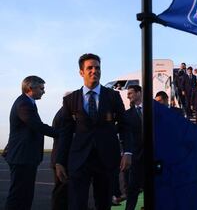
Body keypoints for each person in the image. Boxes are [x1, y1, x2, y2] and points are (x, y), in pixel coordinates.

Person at [55, 53, 132, 210]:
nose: (94, 71)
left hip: (106, 160)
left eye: (97, 67)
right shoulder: (70, 100)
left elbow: (125, 125)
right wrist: (59, 161)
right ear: (81, 72)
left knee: (104, 204)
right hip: (79, 160)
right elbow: (66, 133)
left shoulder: (113, 96)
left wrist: (128, 152)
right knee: (77, 204)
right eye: (89, 68)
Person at [4, 75, 58, 210]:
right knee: (18, 195)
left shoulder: (28, 103)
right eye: (41, 88)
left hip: (25, 157)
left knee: (25, 195)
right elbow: (37, 126)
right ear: (30, 88)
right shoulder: (24, 104)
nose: (44, 91)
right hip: (22, 157)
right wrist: (63, 134)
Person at [124, 85, 144, 210]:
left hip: (154, 158)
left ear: (139, 93)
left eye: (130, 93)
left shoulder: (153, 110)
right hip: (136, 158)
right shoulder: (127, 115)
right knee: (132, 190)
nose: (128, 96)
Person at [50, 92, 72, 210]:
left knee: (64, 191)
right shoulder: (64, 114)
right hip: (61, 159)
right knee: (61, 191)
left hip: (61, 158)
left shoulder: (62, 112)